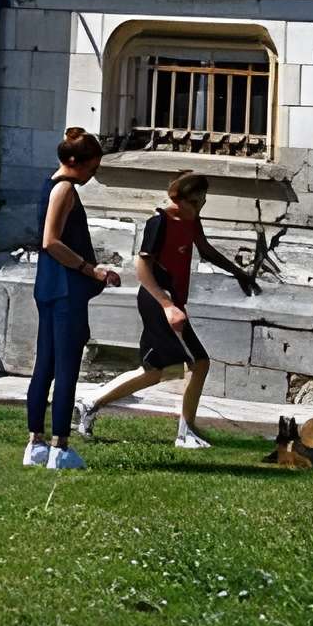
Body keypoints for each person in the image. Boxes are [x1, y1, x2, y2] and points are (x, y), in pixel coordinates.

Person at [84, 170, 259, 449]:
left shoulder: (191, 220)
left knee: (158, 371)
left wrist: (238, 273)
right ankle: (185, 432)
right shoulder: (160, 222)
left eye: (203, 201)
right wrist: (167, 306)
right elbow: (142, 270)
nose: (201, 206)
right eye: (198, 201)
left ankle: (91, 403)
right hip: (158, 300)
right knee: (198, 362)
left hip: (172, 301)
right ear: (184, 200)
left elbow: (205, 249)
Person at [22, 127, 118, 469]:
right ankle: (60, 447)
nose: (93, 175)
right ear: (75, 162)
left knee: (44, 366)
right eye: (92, 168)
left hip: (48, 287)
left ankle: (36, 443)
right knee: (65, 370)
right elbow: (51, 241)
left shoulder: (51, 184)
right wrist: (90, 269)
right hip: (64, 291)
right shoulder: (65, 189)